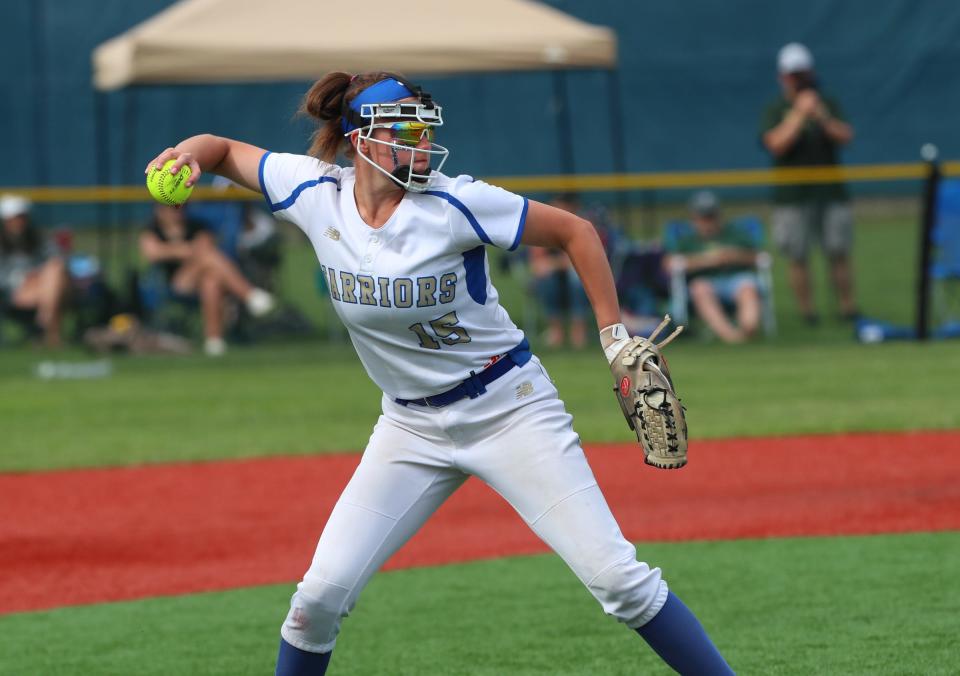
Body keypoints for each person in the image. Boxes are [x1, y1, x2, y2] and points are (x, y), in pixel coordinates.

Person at [146, 71, 733, 676]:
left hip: (509, 408)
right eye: (405, 132)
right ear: (359, 141)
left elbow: (575, 233)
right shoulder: (314, 190)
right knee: (316, 602)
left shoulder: (455, 202)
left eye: (425, 131)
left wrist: (614, 339)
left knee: (620, 583)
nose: (422, 145)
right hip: (409, 428)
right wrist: (188, 154)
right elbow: (219, 149)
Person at [761, 42, 858, 324]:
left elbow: (846, 136)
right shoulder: (776, 108)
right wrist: (799, 114)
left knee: (838, 251)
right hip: (792, 196)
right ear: (783, 77)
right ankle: (808, 314)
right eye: (793, 74)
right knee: (797, 256)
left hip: (830, 192)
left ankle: (847, 308)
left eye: (802, 73)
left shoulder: (827, 103)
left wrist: (821, 115)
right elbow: (775, 144)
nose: (799, 79)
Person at [139, 203, 276, 356]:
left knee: (211, 281)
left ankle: (214, 342)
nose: (176, 213)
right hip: (179, 283)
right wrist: (185, 250)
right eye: (170, 209)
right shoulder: (152, 230)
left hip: (203, 281)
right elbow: (152, 253)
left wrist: (177, 250)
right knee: (208, 257)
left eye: (180, 207)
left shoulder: (196, 226)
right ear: (159, 212)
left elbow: (205, 245)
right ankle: (249, 294)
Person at [664, 191, 762, 343]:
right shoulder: (687, 239)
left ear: (719, 216)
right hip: (705, 282)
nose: (707, 222)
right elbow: (669, 264)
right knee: (700, 288)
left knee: (747, 286)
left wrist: (733, 256)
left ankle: (748, 329)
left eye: (711, 217)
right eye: (702, 218)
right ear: (694, 218)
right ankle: (731, 336)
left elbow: (759, 257)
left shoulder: (734, 233)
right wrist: (706, 260)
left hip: (736, 280)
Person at [0, 195, 70, 347]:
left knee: (54, 271)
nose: (20, 222)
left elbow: (57, 259)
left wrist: (37, 275)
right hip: (14, 291)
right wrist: (23, 277)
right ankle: (50, 332)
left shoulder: (37, 237)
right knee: (54, 280)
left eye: (23, 217)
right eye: (16, 218)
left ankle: (46, 321)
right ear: (6, 220)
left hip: (43, 286)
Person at [528, 194, 591, 348]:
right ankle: (556, 330)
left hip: (577, 279)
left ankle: (579, 329)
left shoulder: (581, 228)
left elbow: (580, 262)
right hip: (551, 281)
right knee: (548, 279)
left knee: (575, 277)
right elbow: (538, 267)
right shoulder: (541, 230)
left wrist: (554, 264)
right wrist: (559, 264)